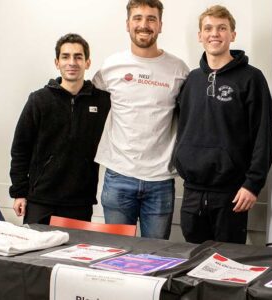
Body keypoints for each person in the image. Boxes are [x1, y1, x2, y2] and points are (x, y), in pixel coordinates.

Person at [173, 5, 272, 244]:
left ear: (233, 35)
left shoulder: (251, 78)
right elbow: (183, 128)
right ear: (200, 36)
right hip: (191, 192)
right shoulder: (191, 80)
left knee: (226, 267)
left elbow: (264, 136)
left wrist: (252, 184)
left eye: (222, 28)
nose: (214, 34)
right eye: (208, 28)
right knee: (192, 266)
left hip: (232, 194)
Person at [92, 0, 189, 239]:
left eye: (151, 19)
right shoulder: (111, 67)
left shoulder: (179, 70)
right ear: (127, 24)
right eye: (137, 18)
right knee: (115, 256)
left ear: (160, 25)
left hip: (160, 180)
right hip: (118, 176)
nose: (144, 25)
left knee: (154, 260)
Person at [9, 33, 110, 224]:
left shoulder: (102, 102)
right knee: (35, 254)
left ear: (87, 63)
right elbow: (20, 148)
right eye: (65, 56)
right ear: (57, 62)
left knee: (74, 254)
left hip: (80, 201)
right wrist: (19, 193)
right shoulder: (38, 100)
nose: (72, 62)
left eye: (78, 57)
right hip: (40, 199)